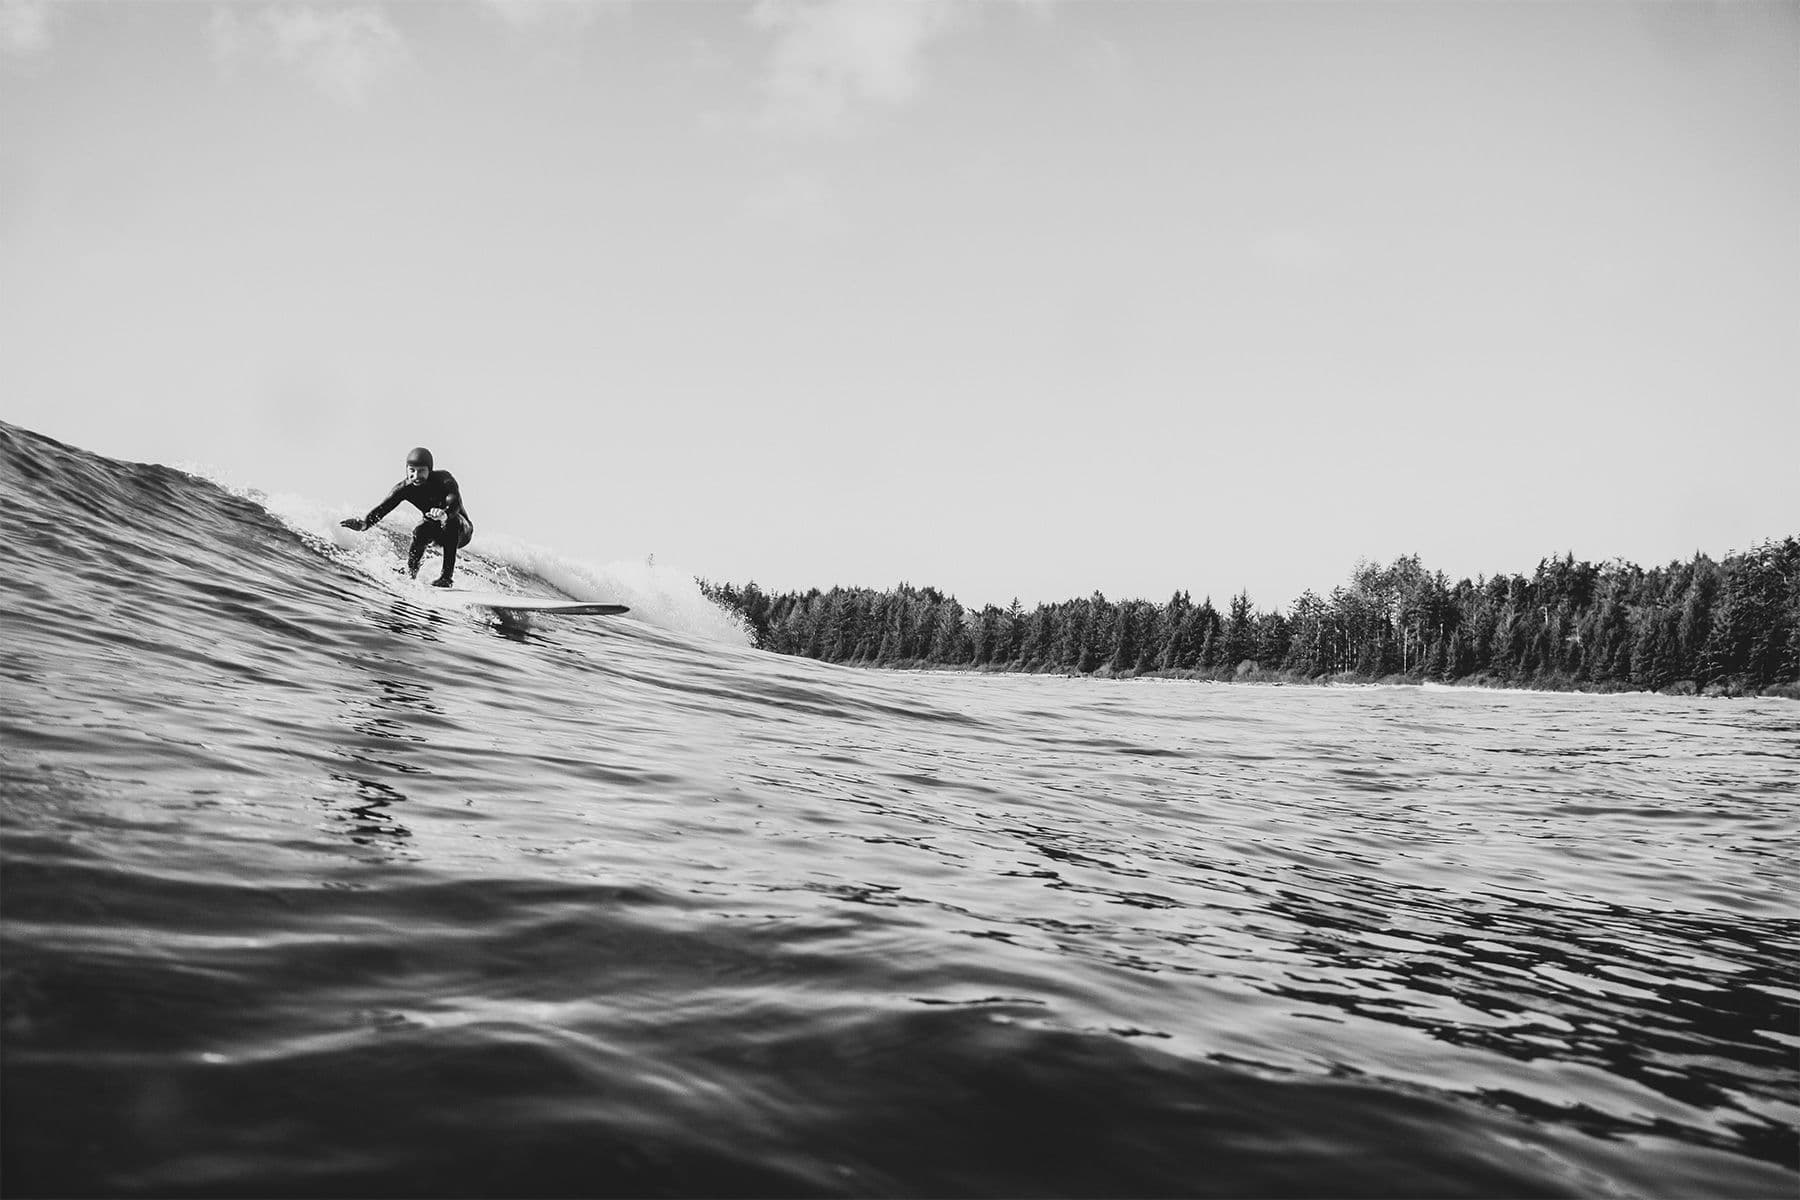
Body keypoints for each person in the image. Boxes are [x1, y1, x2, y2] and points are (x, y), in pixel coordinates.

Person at [340, 446, 473, 587]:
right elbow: (383, 508)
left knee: (452, 523)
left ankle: (446, 578)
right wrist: (364, 524)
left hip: (462, 531)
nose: (416, 476)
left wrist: (445, 514)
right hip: (435, 530)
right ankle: (411, 574)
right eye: (412, 471)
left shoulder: (444, 479)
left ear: (430, 470)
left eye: (421, 471)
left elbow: (455, 501)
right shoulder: (404, 488)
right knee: (420, 530)